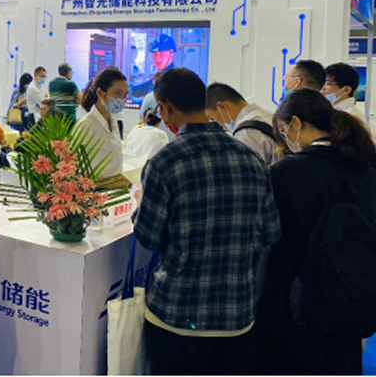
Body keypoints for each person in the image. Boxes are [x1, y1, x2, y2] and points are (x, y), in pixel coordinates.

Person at [134, 68, 281, 376]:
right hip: (237, 316)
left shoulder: (164, 163)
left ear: (165, 107)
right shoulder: (251, 159)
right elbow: (271, 231)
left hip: (177, 315)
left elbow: (148, 237)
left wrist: (140, 203)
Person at [257, 88, 376, 375]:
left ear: (296, 124)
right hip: (350, 298)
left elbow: (270, 241)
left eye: (283, 131)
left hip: (292, 307)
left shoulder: (285, 172)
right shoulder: (365, 168)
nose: (285, 141)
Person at [205, 82, 281, 164]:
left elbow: (251, 170)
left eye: (212, 118)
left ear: (221, 107)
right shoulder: (268, 116)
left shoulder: (246, 133)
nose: (216, 124)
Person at [73, 69, 128, 180]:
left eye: (125, 94)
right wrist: (111, 182)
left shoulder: (113, 122)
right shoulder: (86, 125)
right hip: (97, 190)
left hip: (116, 189)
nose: (122, 99)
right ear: (100, 93)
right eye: (118, 93)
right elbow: (73, 170)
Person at [321, 62, 370, 129]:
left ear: (346, 90)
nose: (322, 88)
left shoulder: (351, 116)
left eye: (328, 83)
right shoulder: (332, 110)